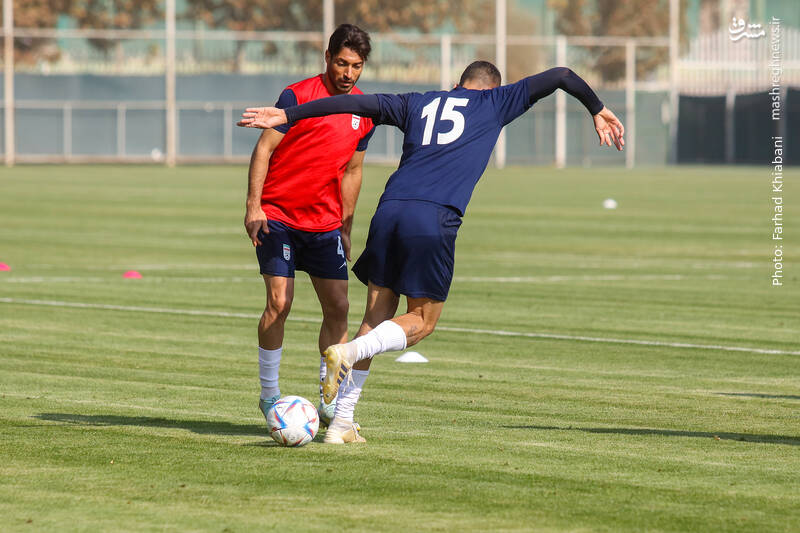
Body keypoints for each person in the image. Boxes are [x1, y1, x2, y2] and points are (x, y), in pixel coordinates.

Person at [239, 61, 624, 444]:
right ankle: (349, 352)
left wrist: (288, 115)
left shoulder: (416, 102)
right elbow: (561, 75)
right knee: (422, 322)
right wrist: (597, 108)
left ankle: (341, 422)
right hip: (432, 219)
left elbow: (353, 104)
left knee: (376, 316)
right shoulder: (495, 102)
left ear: (457, 84)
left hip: (389, 212)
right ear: (492, 89)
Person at [245, 24, 376, 432]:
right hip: (278, 217)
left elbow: (353, 171)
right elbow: (263, 149)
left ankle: (328, 398)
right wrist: (253, 206)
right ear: (327, 57)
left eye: (356, 66)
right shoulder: (297, 96)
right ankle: (269, 394)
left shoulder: (364, 111)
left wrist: (346, 226)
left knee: (339, 307)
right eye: (342, 63)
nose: (348, 73)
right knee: (279, 302)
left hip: (325, 225)